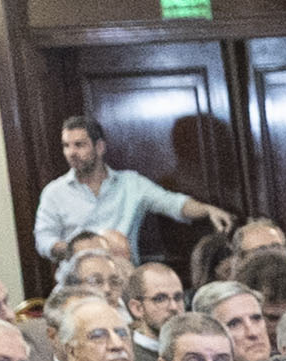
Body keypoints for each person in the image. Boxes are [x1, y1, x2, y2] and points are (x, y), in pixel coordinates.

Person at [35, 115, 222, 276]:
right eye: (66, 146)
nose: (71, 153)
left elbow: (173, 203)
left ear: (99, 147)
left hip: (125, 280)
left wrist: (207, 210)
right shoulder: (54, 192)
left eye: (79, 145)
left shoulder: (131, 183)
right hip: (77, 284)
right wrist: (79, 249)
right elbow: (43, 240)